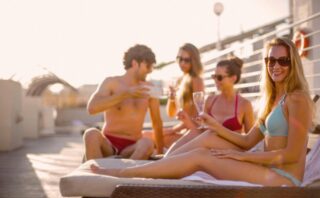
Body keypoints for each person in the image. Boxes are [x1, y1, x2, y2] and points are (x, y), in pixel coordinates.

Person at [90, 37, 314, 186]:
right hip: (267, 166)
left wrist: (243, 157)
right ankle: (151, 169)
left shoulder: (298, 99)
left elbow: (292, 155)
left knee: (201, 157)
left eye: (283, 60)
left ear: (293, 63)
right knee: (207, 136)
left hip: (284, 178)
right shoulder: (272, 100)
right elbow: (246, 140)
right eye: (270, 60)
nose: (276, 65)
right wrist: (215, 127)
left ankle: (126, 175)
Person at [83, 44, 164, 161]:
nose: (150, 70)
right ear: (135, 63)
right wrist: (125, 94)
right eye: (148, 66)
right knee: (90, 134)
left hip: (132, 147)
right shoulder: (111, 82)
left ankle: (122, 174)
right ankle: (97, 175)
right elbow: (92, 108)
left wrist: (161, 154)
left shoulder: (149, 89)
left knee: (147, 143)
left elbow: (157, 123)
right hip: (108, 145)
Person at [165, 56, 255, 155]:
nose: (216, 80)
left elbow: (250, 140)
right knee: (193, 133)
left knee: (207, 136)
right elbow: (200, 130)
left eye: (219, 77)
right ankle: (166, 160)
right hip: (208, 147)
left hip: (230, 150)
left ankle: (166, 162)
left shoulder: (244, 105)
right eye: (214, 76)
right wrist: (187, 120)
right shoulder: (210, 100)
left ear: (233, 78)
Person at [143, 43, 204, 148]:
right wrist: (171, 98)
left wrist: (172, 130)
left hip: (193, 133)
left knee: (147, 137)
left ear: (194, 61)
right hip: (184, 130)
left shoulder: (196, 80)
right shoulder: (181, 80)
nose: (182, 63)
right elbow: (171, 113)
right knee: (146, 135)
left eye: (186, 60)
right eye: (179, 59)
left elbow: (197, 116)